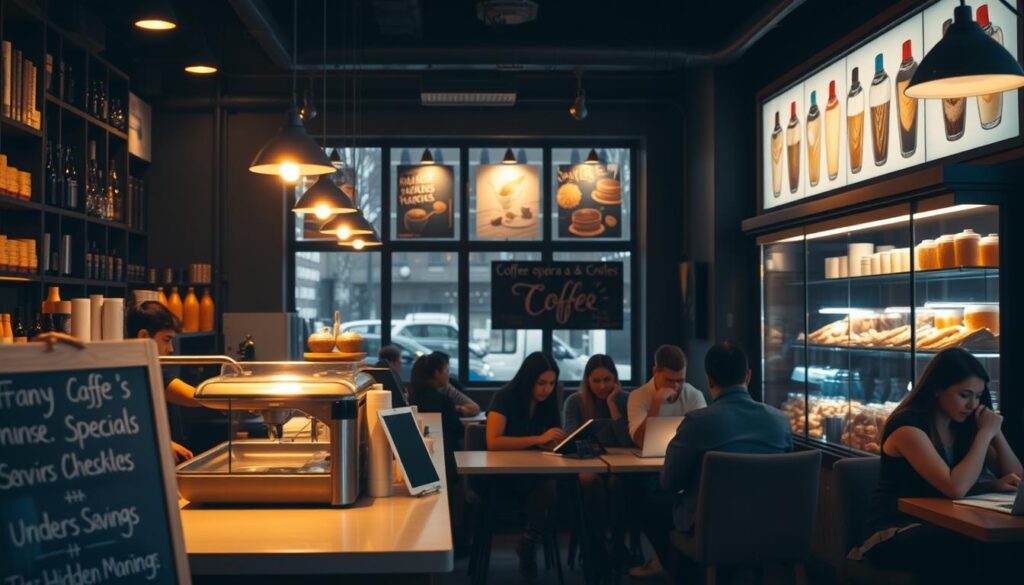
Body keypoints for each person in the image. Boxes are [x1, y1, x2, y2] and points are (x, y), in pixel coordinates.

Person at [850, 348, 1021, 581]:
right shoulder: (908, 427)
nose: (973, 405)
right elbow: (954, 487)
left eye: (979, 396)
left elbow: (1017, 478)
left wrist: (995, 432)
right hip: (894, 530)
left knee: (1005, 549)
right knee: (970, 548)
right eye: (965, 395)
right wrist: (985, 434)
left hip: (940, 524)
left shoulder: (965, 426)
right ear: (937, 389)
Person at [632, 342, 792, 579]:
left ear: (709, 380)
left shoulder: (698, 422)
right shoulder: (781, 422)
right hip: (770, 525)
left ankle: (692, 574)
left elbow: (669, 482)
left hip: (713, 527)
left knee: (650, 508)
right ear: (748, 375)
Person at [486, 352, 563, 582]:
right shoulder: (504, 397)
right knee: (547, 488)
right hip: (502, 476)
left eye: (551, 383)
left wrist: (557, 441)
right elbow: (493, 442)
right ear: (528, 379)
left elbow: (551, 436)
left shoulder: (548, 402)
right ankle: (530, 542)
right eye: (541, 383)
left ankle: (530, 540)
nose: (546, 389)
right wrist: (538, 439)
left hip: (536, 472)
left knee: (552, 485)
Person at [562, 354, 633, 568]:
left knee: (616, 483)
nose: (602, 386)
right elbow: (571, 438)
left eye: (607, 380)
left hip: (618, 465)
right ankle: (596, 544)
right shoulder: (575, 402)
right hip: (583, 464)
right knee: (590, 480)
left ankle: (618, 544)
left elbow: (627, 441)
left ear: (615, 380)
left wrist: (613, 405)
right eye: (596, 381)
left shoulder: (626, 400)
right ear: (587, 380)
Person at [127, 301, 202, 463]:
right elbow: (194, 397)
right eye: (166, 340)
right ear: (143, 337)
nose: (171, 349)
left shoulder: (150, 368)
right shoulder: (133, 372)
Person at [627, 344, 707, 448]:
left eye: (680, 380)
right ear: (655, 372)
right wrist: (656, 402)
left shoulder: (694, 395)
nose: (675, 386)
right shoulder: (637, 396)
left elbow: (705, 435)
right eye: (669, 380)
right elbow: (641, 442)